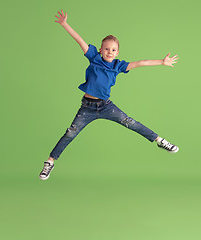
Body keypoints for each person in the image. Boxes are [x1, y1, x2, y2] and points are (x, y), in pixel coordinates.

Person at [39, 10, 179, 180]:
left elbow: (141, 63)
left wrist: (162, 62)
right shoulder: (94, 58)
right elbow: (80, 40)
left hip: (106, 106)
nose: (109, 52)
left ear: (117, 53)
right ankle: (50, 162)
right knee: (70, 133)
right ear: (100, 50)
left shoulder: (118, 66)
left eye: (113, 49)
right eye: (106, 49)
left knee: (131, 123)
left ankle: (160, 140)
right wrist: (65, 24)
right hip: (87, 107)